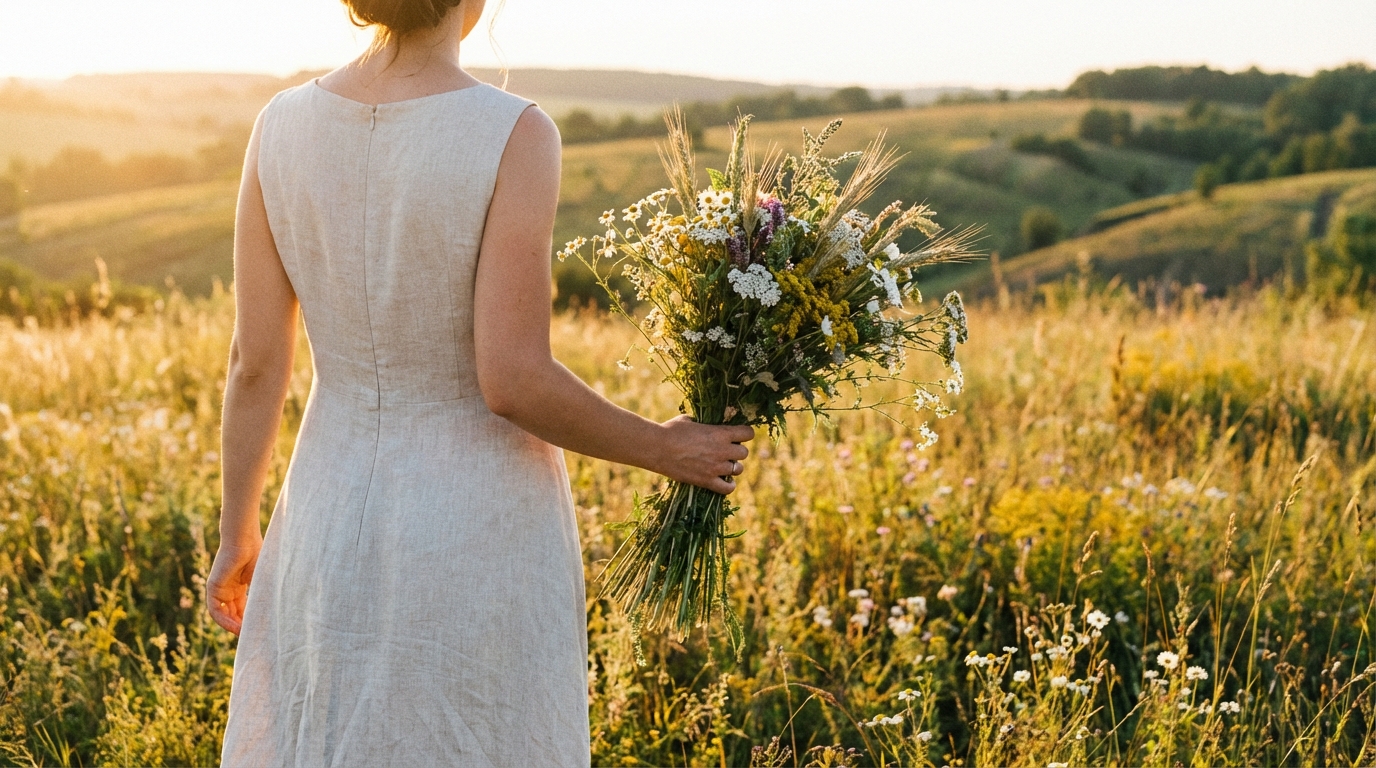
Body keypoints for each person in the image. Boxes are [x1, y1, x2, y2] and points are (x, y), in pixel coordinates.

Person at [204, 1, 754, 764]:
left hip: (324, 514)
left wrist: (237, 531)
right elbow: (512, 380)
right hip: (476, 524)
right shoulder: (513, 132)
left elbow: (255, 363)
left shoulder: (279, 123)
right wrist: (666, 448)